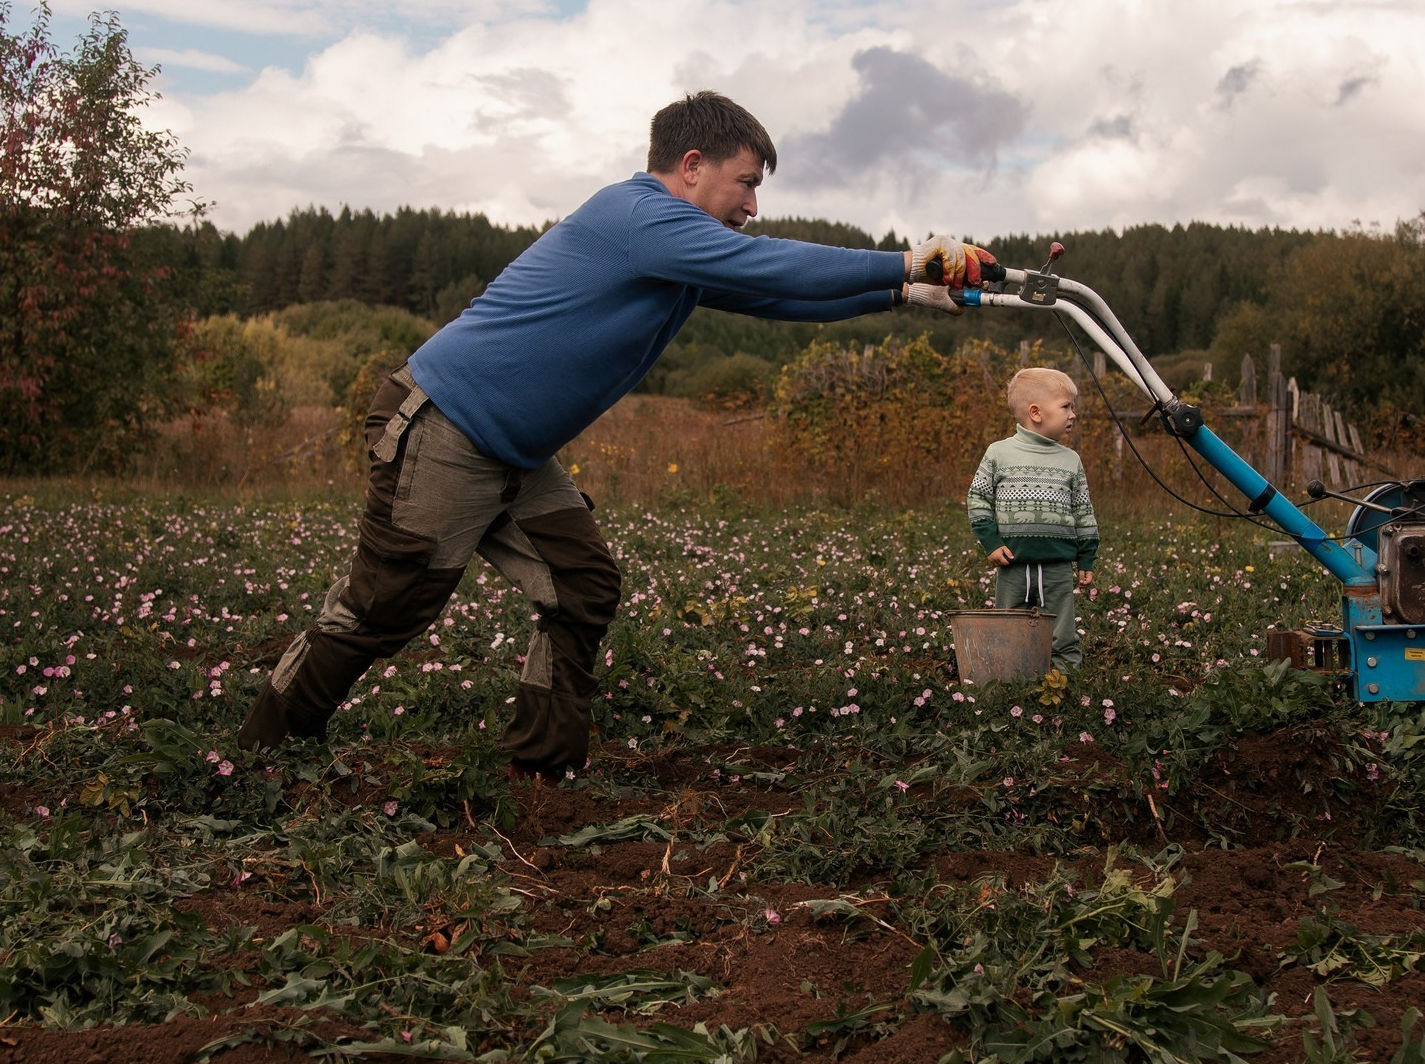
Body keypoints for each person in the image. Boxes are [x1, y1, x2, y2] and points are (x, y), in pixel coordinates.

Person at [238, 91, 992, 776]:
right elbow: (771, 264)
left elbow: (777, 295)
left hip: (514, 451)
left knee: (582, 586)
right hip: (448, 425)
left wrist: (902, 291)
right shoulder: (636, 216)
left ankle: (539, 770)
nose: (754, 205)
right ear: (692, 167)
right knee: (384, 607)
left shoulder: (676, 246)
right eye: (748, 182)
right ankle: (263, 755)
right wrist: (911, 254)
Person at [968, 366, 1100, 670]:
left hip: (1056, 565)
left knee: (1062, 633)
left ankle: (1064, 682)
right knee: (1009, 629)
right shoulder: (999, 453)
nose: (1073, 414)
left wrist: (1087, 557)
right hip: (1012, 563)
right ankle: (1012, 681)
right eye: (1066, 406)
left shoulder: (1071, 460)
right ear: (1036, 413)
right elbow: (978, 498)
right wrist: (990, 542)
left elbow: (1083, 510)